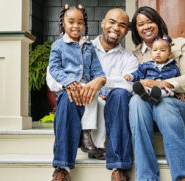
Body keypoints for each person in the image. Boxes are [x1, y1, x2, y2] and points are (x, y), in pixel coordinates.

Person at [47, 8, 138, 181]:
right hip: (77, 102)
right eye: (112, 22)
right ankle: (62, 167)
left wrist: (102, 83)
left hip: (112, 107)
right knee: (67, 96)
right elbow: (52, 76)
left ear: (126, 31)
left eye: (122, 25)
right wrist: (72, 86)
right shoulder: (79, 45)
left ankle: (119, 168)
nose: (116, 28)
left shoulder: (129, 58)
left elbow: (130, 85)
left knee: (119, 95)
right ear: (102, 23)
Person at [129, 6, 185, 181]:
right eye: (141, 24)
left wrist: (161, 84)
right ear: (136, 30)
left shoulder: (179, 45)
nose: (146, 26)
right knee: (135, 101)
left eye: (150, 21)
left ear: (158, 23)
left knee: (163, 104)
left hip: (179, 110)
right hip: (146, 116)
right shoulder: (134, 55)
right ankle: (146, 177)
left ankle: (184, 176)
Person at [48, 4, 107, 181]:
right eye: (71, 21)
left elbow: (97, 72)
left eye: (80, 22)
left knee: (93, 95)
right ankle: (61, 165)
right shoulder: (58, 46)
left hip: (87, 87)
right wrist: (68, 83)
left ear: (84, 25)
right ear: (63, 23)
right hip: (69, 89)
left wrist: (101, 89)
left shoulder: (89, 46)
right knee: (67, 103)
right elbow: (55, 69)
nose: (76, 26)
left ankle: (86, 134)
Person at [124, 37, 184, 105]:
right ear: (151, 53)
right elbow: (138, 74)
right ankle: (145, 93)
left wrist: (180, 93)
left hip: (164, 89)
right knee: (145, 87)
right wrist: (131, 76)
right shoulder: (146, 65)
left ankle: (156, 96)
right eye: (155, 50)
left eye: (162, 50)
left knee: (165, 90)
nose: (158, 53)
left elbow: (178, 81)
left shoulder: (174, 68)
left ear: (169, 54)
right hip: (149, 86)